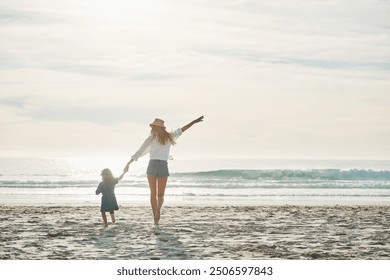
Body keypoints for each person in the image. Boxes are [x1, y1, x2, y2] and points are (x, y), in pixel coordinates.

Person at [124, 116, 204, 225]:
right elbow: (182, 129)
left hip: (152, 165)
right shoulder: (169, 136)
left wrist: (128, 163)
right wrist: (193, 122)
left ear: (155, 128)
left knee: (153, 193)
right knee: (160, 195)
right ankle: (158, 210)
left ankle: (155, 218)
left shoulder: (151, 138)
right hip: (163, 165)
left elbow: (140, 151)